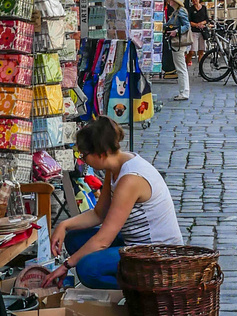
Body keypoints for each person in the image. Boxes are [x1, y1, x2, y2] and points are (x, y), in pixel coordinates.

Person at [47, 118, 182, 288]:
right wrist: (64, 225)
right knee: (74, 239)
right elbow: (99, 213)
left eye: (83, 155)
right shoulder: (115, 166)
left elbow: (103, 240)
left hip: (156, 255)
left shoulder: (130, 179)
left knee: (87, 268)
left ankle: (147, 288)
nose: (81, 160)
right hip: (133, 243)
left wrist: (66, 265)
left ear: (101, 154)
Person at [166, 0, 193, 101]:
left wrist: (176, 32)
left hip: (179, 43)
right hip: (176, 43)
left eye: (171, 0)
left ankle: (184, 92)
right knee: (180, 67)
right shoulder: (175, 12)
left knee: (181, 68)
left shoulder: (180, 11)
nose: (169, 1)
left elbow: (187, 25)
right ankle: (183, 91)